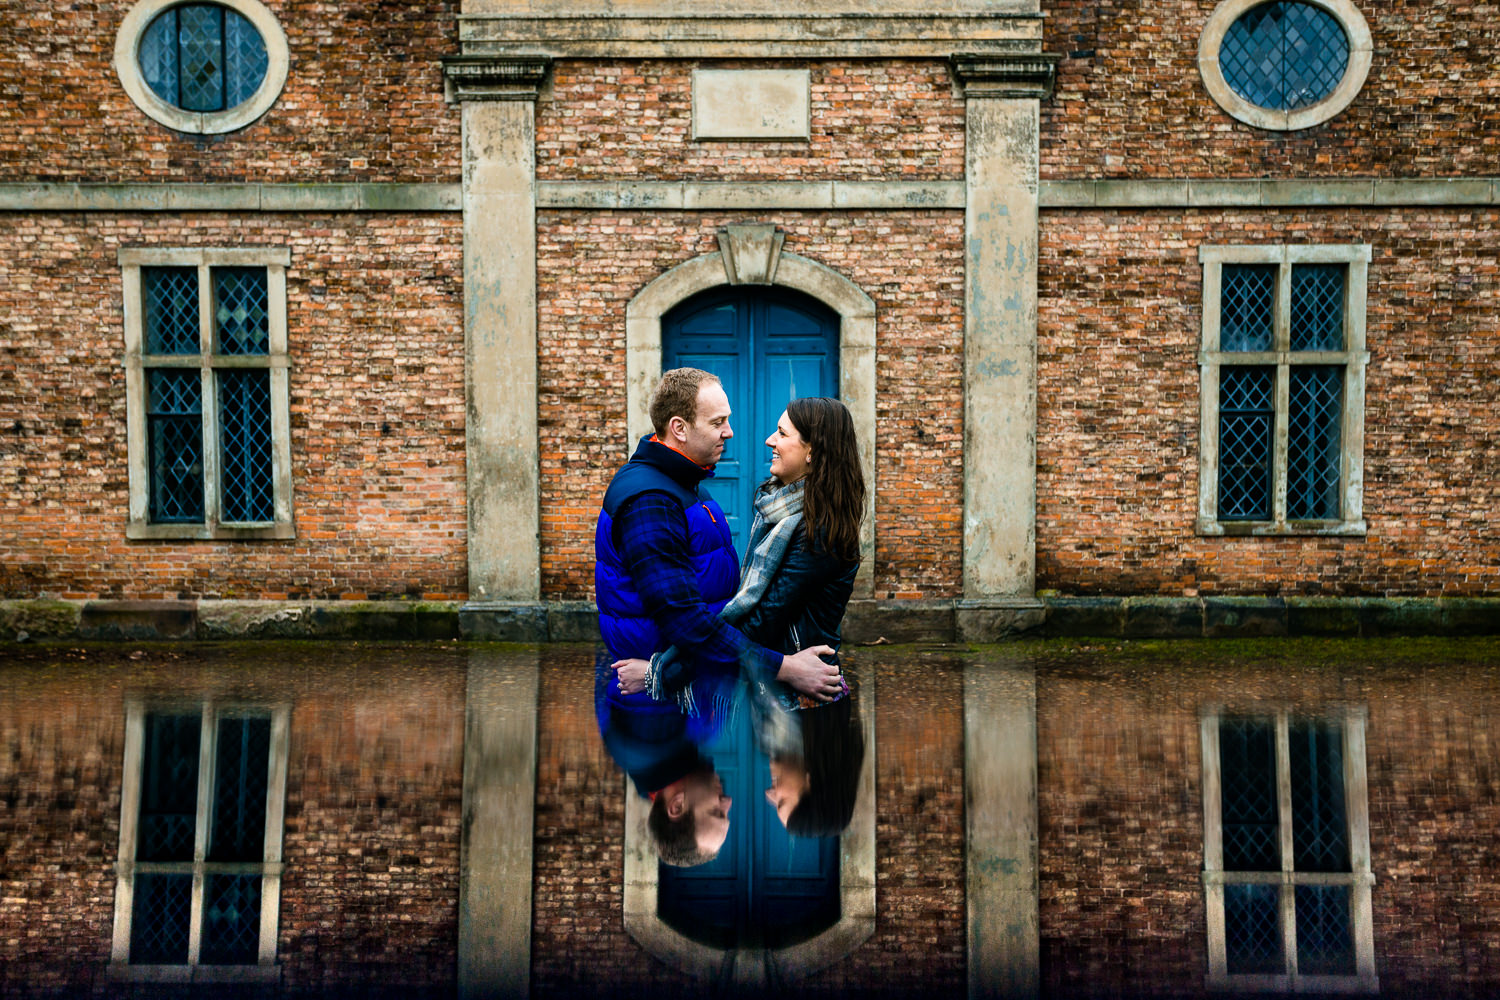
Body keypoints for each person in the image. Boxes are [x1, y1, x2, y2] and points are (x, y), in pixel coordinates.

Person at [594, 369, 843, 863]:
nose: (732, 431)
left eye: (718, 813)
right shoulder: (653, 499)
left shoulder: (681, 485)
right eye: (720, 421)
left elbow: (721, 604)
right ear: (680, 428)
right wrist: (784, 666)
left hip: (677, 687)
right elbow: (686, 620)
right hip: (659, 700)